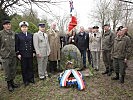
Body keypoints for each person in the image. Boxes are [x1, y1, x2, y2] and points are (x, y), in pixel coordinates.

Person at [0, 20, 18, 92]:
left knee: (13, 70)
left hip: (13, 55)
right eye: (6, 24)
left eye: (9, 24)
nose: (8, 26)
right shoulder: (1, 34)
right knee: (7, 71)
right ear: (3, 26)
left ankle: (12, 82)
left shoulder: (13, 33)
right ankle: (9, 85)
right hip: (5, 56)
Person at [15, 21, 35, 86]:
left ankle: (31, 79)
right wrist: (18, 54)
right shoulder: (18, 35)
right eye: (23, 27)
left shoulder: (31, 35)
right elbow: (16, 45)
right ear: (21, 28)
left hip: (30, 53)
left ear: (27, 28)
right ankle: (25, 80)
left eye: (25, 27)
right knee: (24, 68)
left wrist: (34, 52)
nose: (24, 28)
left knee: (30, 67)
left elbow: (33, 44)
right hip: (22, 54)